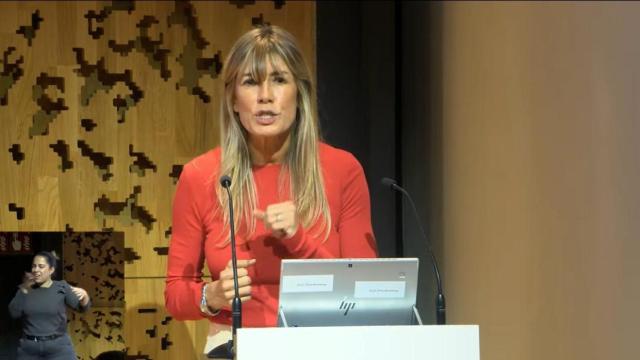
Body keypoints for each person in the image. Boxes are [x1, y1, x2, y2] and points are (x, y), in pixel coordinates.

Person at [165, 25, 378, 354]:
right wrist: (212, 296)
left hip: (325, 343)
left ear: (300, 93)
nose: (265, 95)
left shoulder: (342, 169)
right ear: (234, 100)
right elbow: (176, 295)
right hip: (235, 344)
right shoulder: (201, 176)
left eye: (279, 79)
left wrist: (298, 238)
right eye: (250, 82)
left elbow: (365, 290)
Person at [8, 251, 91, 360]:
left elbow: (82, 308)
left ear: (51, 270)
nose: (36, 270)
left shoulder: (62, 287)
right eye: (34, 266)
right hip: (29, 349)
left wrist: (85, 296)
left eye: (41, 266)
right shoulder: (26, 289)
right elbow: (13, 313)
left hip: (59, 348)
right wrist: (24, 288)